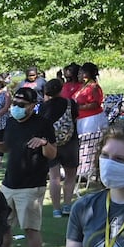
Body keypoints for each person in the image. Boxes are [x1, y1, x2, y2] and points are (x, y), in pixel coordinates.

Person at [0, 85, 57, 247]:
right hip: (9, 183)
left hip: (31, 185)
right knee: (3, 225)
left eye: (21, 104)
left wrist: (43, 143)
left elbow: (52, 154)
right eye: (14, 103)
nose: (16, 107)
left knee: (31, 229)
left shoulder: (43, 124)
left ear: (33, 106)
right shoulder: (11, 123)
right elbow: (8, 147)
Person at [50, 71, 82, 218]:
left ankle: (56, 209)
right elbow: (76, 118)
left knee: (54, 177)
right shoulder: (70, 104)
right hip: (70, 143)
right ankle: (67, 205)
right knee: (70, 176)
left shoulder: (44, 107)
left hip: (52, 145)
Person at [73, 62, 106, 189]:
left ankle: (87, 171)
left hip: (92, 119)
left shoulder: (93, 87)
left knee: (89, 144)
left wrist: (78, 107)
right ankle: (83, 169)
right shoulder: (83, 86)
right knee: (83, 144)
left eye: (81, 72)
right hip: (82, 118)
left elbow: (95, 104)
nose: (79, 75)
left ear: (87, 74)